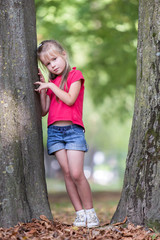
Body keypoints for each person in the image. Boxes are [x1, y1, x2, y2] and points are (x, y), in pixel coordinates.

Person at [35, 40, 99, 228]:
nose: (52, 65)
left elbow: (70, 100)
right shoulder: (52, 83)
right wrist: (43, 89)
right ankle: (79, 214)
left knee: (78, 173)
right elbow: (43, 111)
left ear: (63, 54)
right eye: (47, 63)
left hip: (73, 131)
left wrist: (51, 87)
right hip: (55, 132)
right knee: (68, 174)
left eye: (54, 59)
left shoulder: (75, 75)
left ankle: (90, 212)